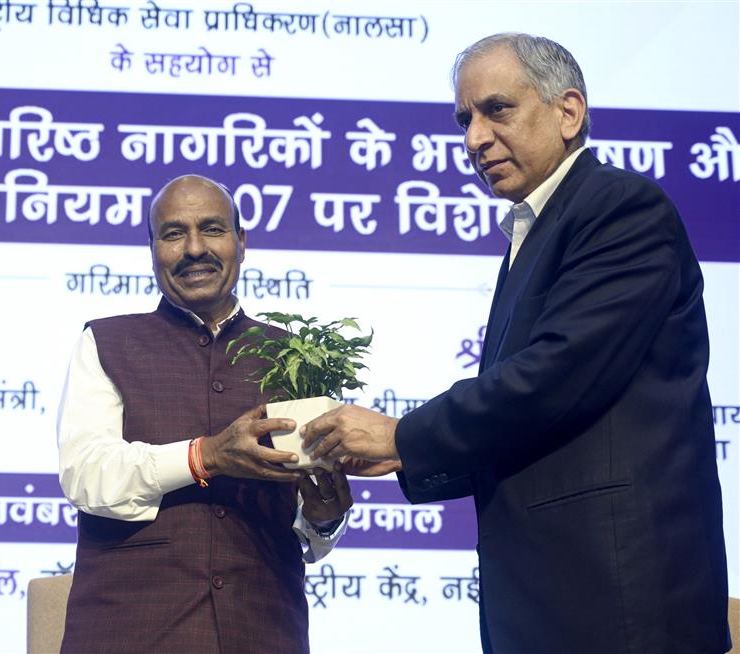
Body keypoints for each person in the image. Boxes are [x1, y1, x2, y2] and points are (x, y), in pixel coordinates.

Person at [302, 33, 730, 654]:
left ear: (568, 112)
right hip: (558, 604)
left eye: (496, 109)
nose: (474, 138)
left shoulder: (619, 208)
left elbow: (555, 378)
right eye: (464, 120)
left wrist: (403, 437)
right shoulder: (537, 231)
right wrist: (401, 456)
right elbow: (530, 427)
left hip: (621, 601)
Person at [58, 174, 352, 654]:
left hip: (263, 631)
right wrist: (205, 456)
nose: (195, 249)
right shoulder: (106, 342)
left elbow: (307, 525)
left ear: (241, 242)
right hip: (130, 633)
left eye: (212, 229)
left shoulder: (294, 357)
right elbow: (86, 476)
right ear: (152, 249)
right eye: (174, 234)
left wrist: (323, 519)